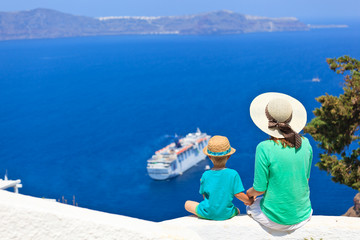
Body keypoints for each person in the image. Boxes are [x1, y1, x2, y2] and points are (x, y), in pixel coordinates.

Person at [246, 92, 313, 231]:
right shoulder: (305, 144)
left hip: (275, 220)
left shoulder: (264, 148)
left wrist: (249, 194)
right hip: (304, 214)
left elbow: (259, 189)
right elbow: (305, 180)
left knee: (251, 204)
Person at [184, 135, 254, 220]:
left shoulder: (205, 175)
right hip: (226, 214)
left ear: (209, 157)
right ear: (229, 156)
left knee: (187, 204)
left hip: (208, 213)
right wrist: (249, 201)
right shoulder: (233, 174)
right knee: (237, 210)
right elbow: (238, 194)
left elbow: (205, 196)